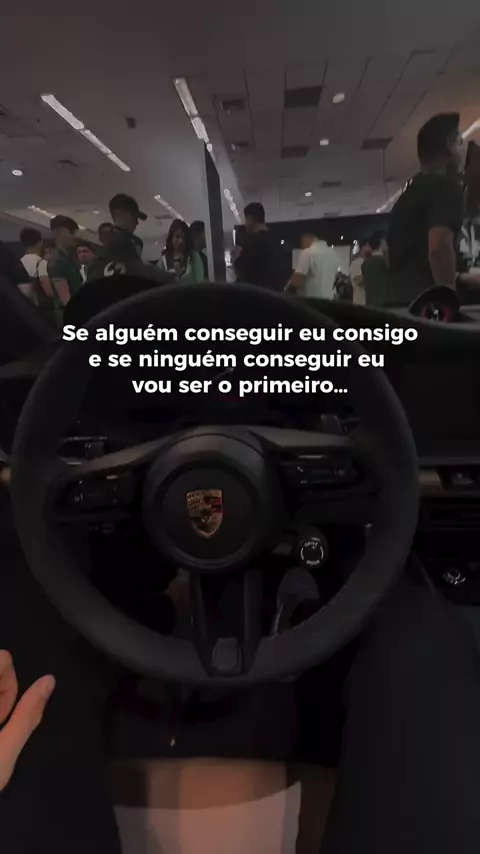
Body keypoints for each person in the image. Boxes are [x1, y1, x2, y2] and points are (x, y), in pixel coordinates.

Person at [387, 112, 480, 306]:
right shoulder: (445, 188)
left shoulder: (405, 198)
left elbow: (409, 260)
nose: (462, 152)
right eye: (459, 143)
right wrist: (450, 299)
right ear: (449, 144)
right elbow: (439, 249)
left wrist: (459, 277)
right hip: (428, 306)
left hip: (398, 303)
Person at [235, 202, 286, 290]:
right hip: (275, 295)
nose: (245, 225)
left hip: (257, 295)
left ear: (250, 219)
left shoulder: (252, 242)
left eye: (246, 220)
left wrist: (238, 257)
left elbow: (243, 272)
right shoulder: (276, 241)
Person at [288, 233, 340, 299]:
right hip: (328, 300)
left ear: (308, 237)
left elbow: (296, 281)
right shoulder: (333, 254)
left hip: (310, 301)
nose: (302, 243)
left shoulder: (307, 253)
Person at [48, 215, 83, 307]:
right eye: (71, 233)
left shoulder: (68, 257)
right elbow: (65, 299)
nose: (75, 236)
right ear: (58, 232)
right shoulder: (58, 261)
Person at [158, 219, 204, 283]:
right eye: (177, 236)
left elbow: (199, 281)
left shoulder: (193, 256)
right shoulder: (164, 260)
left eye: (183, 238)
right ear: (171, 238)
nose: (180, 241)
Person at [108, 194, 146, 260]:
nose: (137, 222)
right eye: (134, 217)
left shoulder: (106, 240)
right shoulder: (133, 242)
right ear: (119, 213)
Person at [361, 231, 389, 306]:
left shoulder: (365, 263)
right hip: (384, 305)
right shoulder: (383, 262)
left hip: (370, 304)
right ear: (382, 242)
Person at [348, 238, 372, 305]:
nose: (370, 248)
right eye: (367, 246)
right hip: (360, 303)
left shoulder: (370, 262)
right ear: (362, 247)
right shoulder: (357, 263)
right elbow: (358, 280)